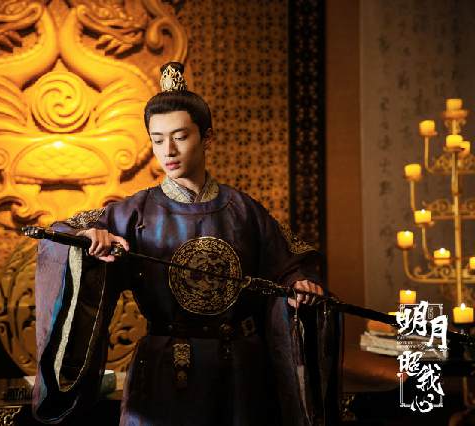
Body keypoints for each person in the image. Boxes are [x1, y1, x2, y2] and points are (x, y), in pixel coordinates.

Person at [32, 62, 342, 425]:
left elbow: (291, 261)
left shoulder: (244, 210)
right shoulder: (133, 211)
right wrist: (90, 238)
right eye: (157, 139)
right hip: (165, 369)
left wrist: (299, 286)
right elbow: (63, 234)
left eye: (180, 136)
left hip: (241, 371)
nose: (169, 150)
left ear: (207, 138)